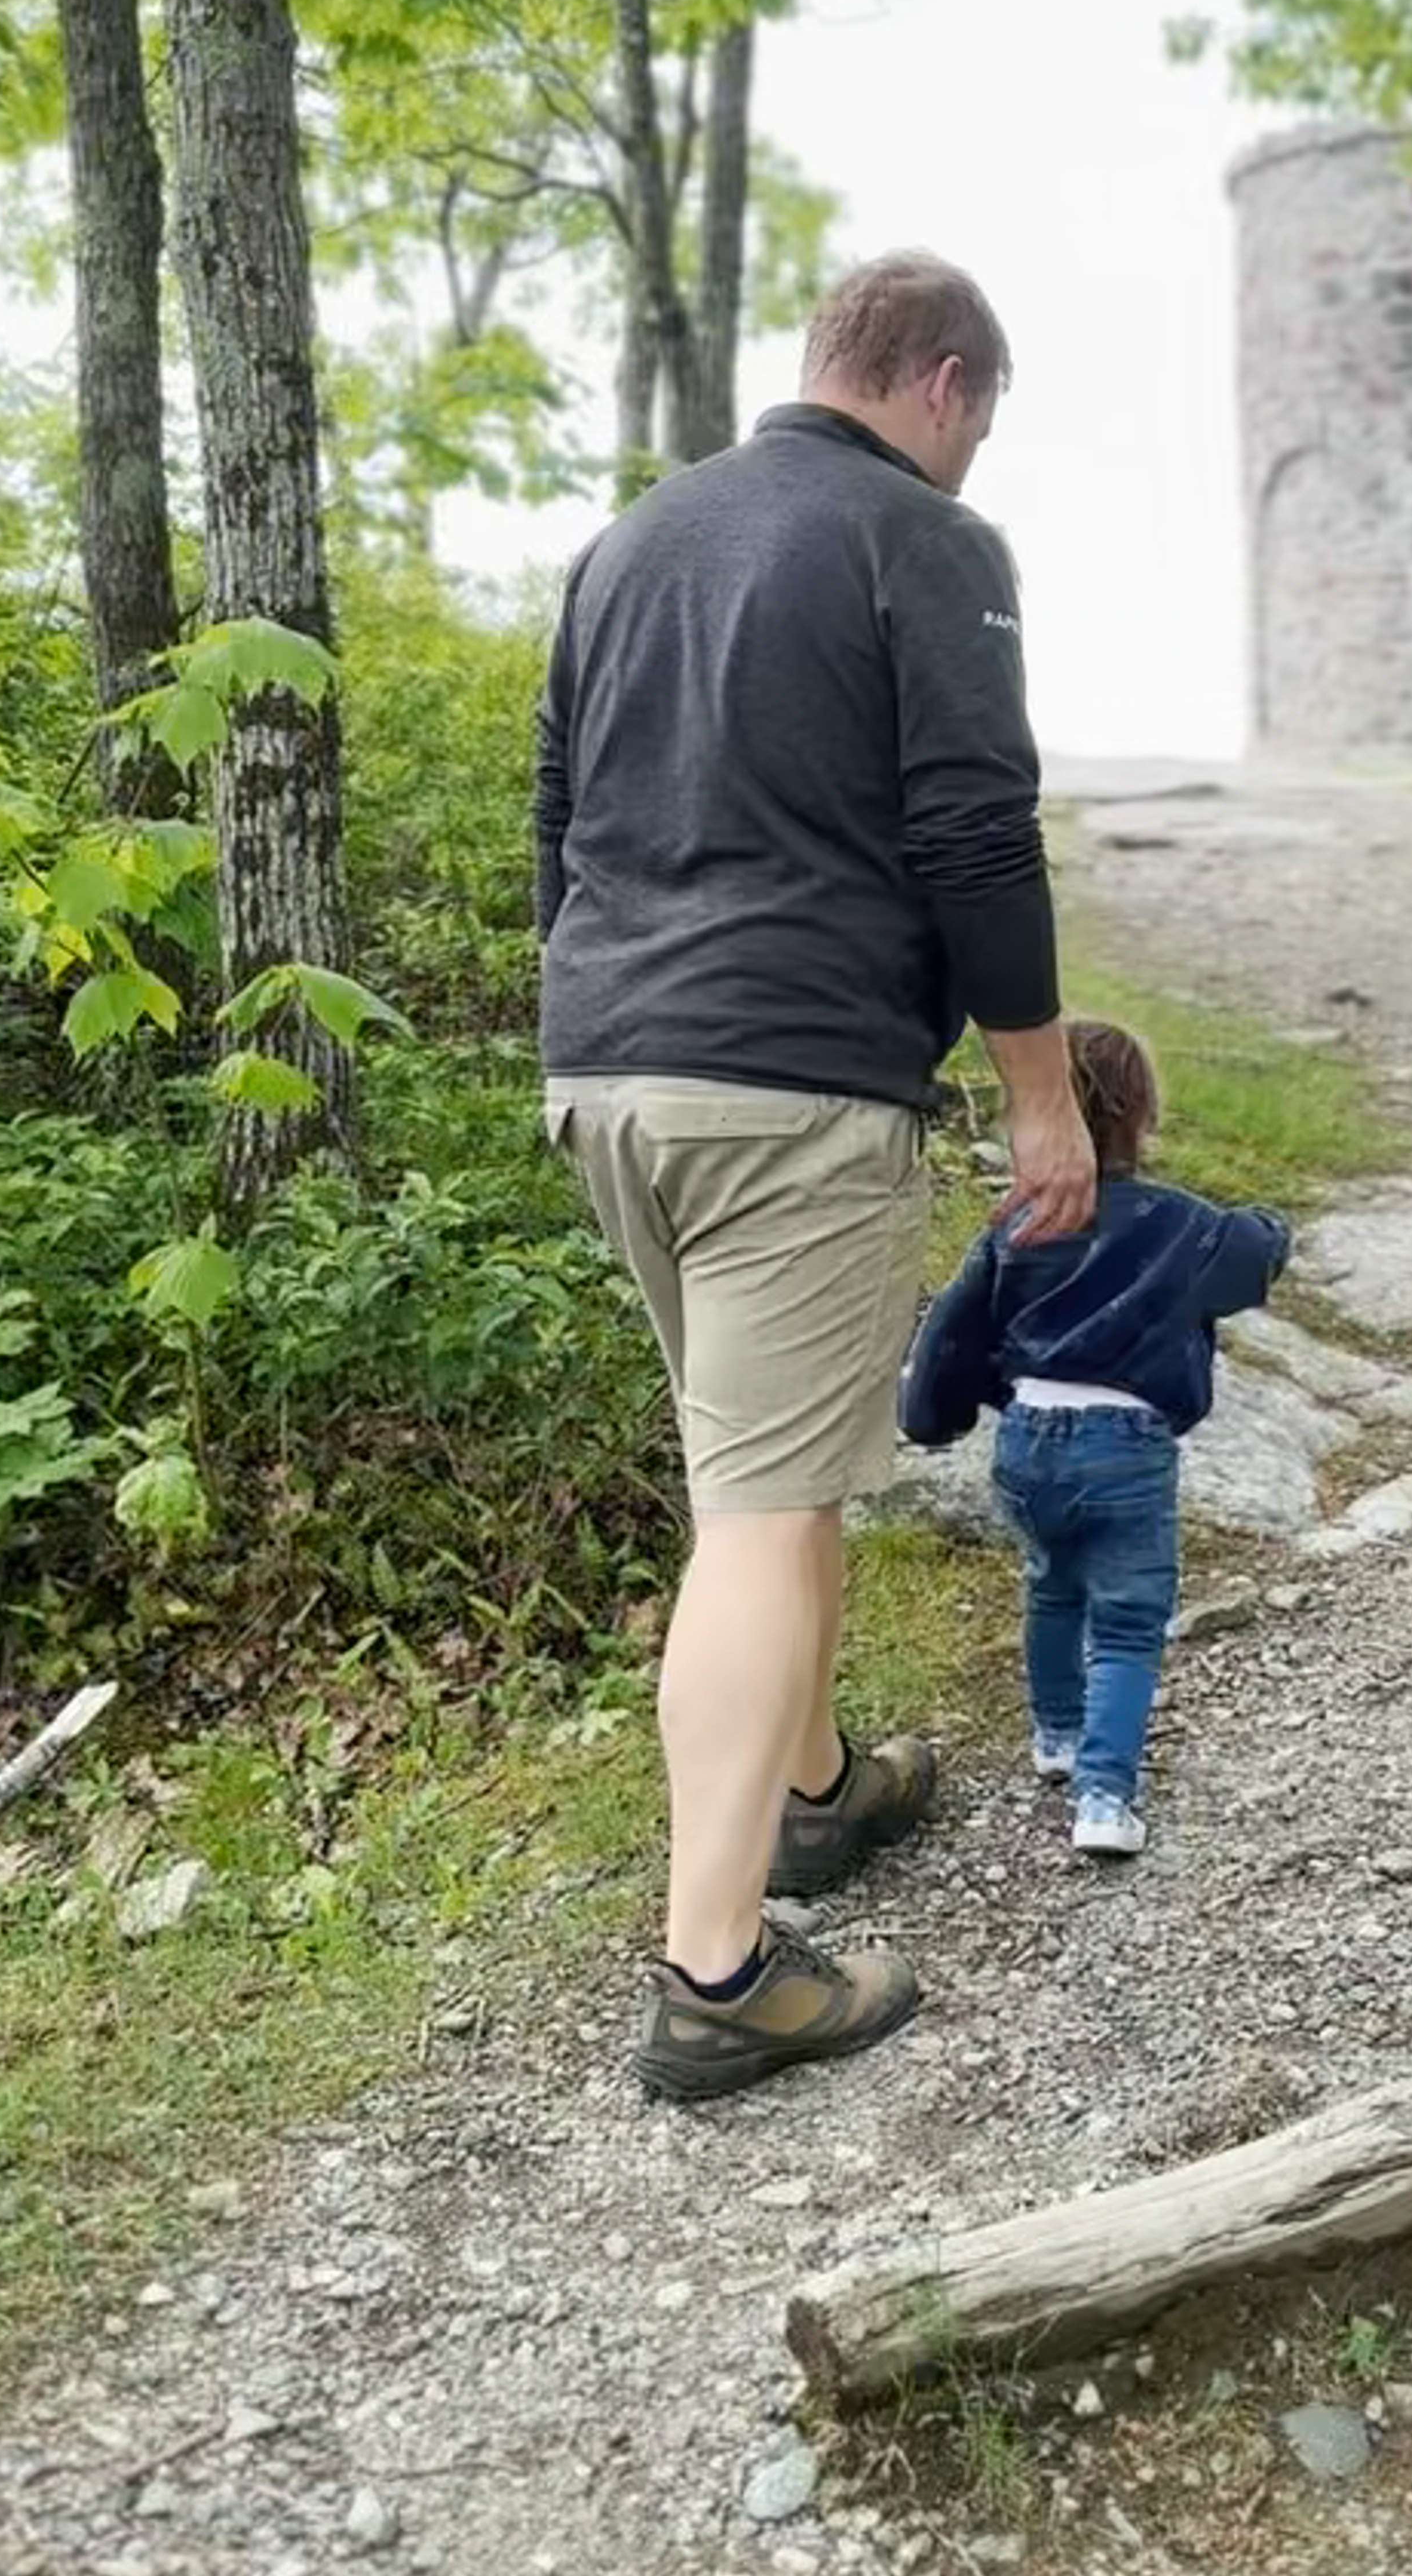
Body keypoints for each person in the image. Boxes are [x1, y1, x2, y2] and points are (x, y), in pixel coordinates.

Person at [536, 253, 1097, 2104]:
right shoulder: (924, 540)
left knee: (767, 1474)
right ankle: (718, 1972)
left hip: (612, 1069)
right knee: (762, 1517)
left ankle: (817, 1786)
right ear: (943, 382)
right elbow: (969, 826)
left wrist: (616, 1014)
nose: (970, 461)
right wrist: (1042, 1095)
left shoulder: (635, 540)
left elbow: (560, 820)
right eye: (979, 427)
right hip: (792, 1085)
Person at [899, 1020, 1291, 1854]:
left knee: (1051, 1586)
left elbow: (953, 1327)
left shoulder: (1019, 1225)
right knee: (1125, 1622)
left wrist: (930, 1414)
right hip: (1124, 1448)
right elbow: (1255, 1251)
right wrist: (1271, 1224)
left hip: (1028, 1442)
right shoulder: (1182, 1225)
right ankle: (1104, 1798)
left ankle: (1057, 1735)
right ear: (1140, 1114)